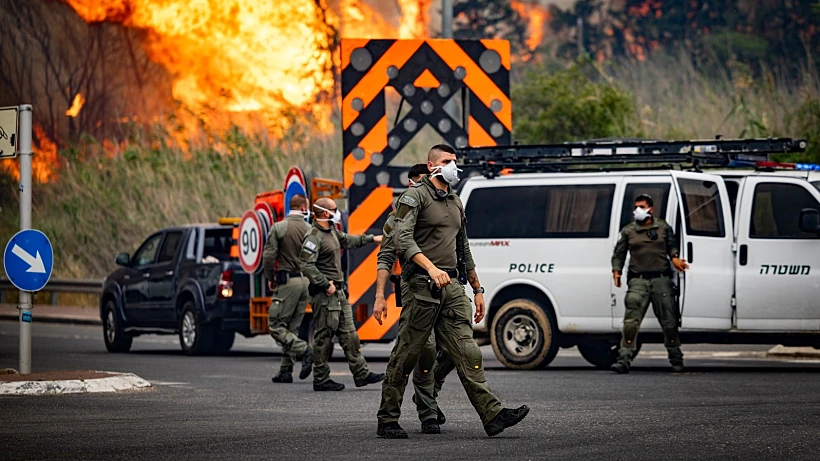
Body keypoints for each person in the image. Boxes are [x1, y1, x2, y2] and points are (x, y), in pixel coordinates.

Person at [376, 144, 529, 439]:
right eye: (447, 161)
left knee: (468, 350)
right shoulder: (414, 196)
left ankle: (492, 415)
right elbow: (402, 240)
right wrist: (430, 268)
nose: (453, 166)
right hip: (420, 286)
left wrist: (478, 288)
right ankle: (387, 418)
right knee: (408, 354)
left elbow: (463, 248)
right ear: (431, 164)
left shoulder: (455, 201)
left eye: (455, 162)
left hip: (452, 288)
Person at [373, 163, 450, 435]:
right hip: (416, 287)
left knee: (456, 350)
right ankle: (413, 415)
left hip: (447, 289)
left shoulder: (443, 209)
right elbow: (385, 256)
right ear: (411, 185)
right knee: (420, 350)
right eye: (421, 183)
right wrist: (380, 295)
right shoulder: (398, 218)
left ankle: (427, 400)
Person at [300, 197, 385, 391]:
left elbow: (349, 240)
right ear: (324, 212)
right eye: (334, 209)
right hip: (325, 294)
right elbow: (306, 265)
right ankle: (321, 379)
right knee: (324, 337)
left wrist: (373, 239)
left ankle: (361, 374)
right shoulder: (313, 236)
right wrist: (324, 284)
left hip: (338, 293)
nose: (337, 212)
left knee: (350, 335)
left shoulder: (331, 231)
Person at [611, 194, 690, 374]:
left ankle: (676, 359)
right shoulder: (629, 230)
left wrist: (676, 258)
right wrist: (617, 271)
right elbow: (619, 253)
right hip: (638, 280)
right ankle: (623, 360)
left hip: (661, 280)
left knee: (669, 322)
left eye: (641, 206)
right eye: (636, 206)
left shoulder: (662, 227)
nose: (637, 210)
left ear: (650, 209)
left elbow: (672, 245)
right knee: (630, 323)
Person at [262, 194, 312, 383]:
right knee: (293, 327)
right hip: (305, 282)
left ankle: (304, 349)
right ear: (302, 207)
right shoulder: (309, 229)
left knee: (276, 326)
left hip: (287, 282)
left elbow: (268, 256)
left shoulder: (279, 228)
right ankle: (286, 370)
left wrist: (270, 277)